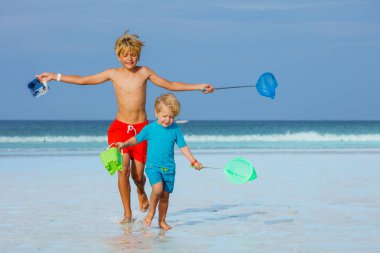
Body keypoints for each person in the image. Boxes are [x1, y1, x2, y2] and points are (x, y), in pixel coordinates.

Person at [37, 30, 214, 224]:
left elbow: (170, 84)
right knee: (123, 171)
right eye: (125, 55)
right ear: (118, 55)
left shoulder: (144, 72)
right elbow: (83, 80)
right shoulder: (112, 74)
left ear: (138, 54)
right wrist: (55, 76)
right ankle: (127, 214)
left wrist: (198, 86)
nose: (129, 58)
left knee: (138, 176)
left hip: (141, 129)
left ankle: (140, 190)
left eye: (133, 54)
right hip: (119, 128)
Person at [115, 93, 202, 230]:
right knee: (158, 188)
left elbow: (183, 147)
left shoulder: (175, 130)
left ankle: (161, 221)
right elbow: (136, 139)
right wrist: (124, 144)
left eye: (171, 117)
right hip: (153, 167)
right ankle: (151, 213)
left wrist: (193, 161)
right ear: (156, 113)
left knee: (165, 198)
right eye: (164, 116)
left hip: (169, 168)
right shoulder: (150, 128)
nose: (168, 120)